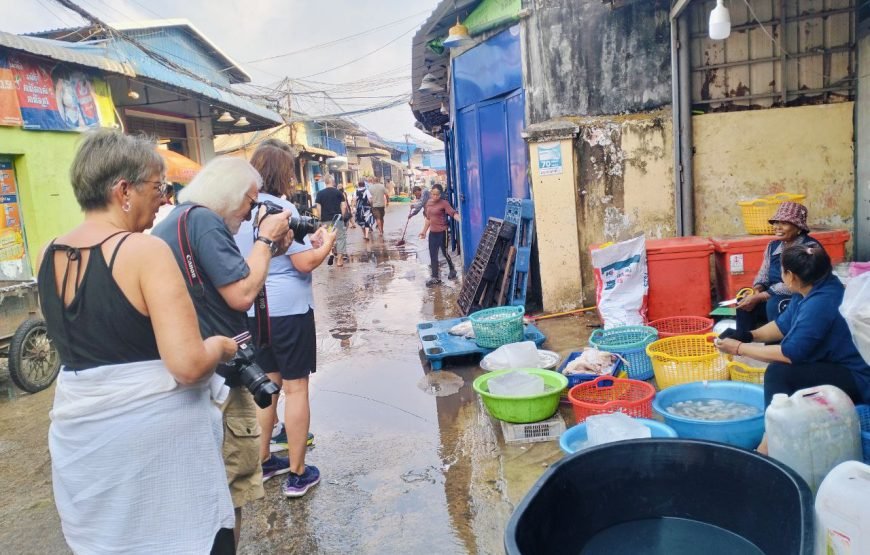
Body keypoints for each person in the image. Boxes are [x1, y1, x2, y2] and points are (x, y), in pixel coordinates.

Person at [40, 130, 239, 553]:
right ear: (123, 190)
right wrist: (221, 346)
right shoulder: (143, 253)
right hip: (153, 454)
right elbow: (187, 365)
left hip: (83, 449)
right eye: (158, 187)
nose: (164, 199)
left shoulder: (47, 253)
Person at [152, 156, 292, 547]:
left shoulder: (176, 221)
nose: (250, 214)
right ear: (230, 196)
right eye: (249, 202)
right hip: (223, 376)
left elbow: (223, 283)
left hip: (193, 368)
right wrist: (264, 239)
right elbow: (241, 292)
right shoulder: (205, 222)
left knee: (203, 483)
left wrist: (270, 251)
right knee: (233, 484)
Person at [235, 144, 337, 498]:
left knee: (268, 388)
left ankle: (264, 461)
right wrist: (327, 244)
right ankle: (297, 472)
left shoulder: (238, 210)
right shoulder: (282, 208)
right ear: (282, 173)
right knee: (296, 389)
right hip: (289, 312)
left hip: (254, 312)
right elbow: (303, 263)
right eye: (290, 172)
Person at [716, 245, 870, 450]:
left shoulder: (821, 303)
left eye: (782, 271)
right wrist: (748, 335)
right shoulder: (809, 289)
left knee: (778, 373)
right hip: (833, 363)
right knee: (783, 371)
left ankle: (769, 443)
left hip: (858, 378)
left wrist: (739, 348)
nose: (780, 276)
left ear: (791, 276)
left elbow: (789, 354)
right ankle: (778, 432)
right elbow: (782, 326)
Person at [735, 201, 820, 334]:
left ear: (798, 228)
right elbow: (763, 274)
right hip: (771, 294)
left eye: (784, 223)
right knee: (743, 298)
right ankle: (744, 339)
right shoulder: (773, 246)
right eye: (776, 222)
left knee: (774, 303)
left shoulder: (810, 248)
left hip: (800, 297)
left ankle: (777, 347)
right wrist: (756, 290)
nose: (777, 227)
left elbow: (798, 284)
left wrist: (762, 296)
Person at [419, 184, 460, 286]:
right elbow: (428, 219)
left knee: (445, 253)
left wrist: (461, 220)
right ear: (430, 194)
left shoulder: (444, 203)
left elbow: (453, 213)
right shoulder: (428, 203)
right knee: (433, 255)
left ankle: (452, 269)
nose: (435, 196)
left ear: (440, 194)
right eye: (433, 194)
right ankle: (435, 277)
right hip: (433, 233)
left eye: (437, 194)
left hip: (443, 232)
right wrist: (424, 231)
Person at [315, 175, 348, 267]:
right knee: (340, 238)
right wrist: (341, 215)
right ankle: (339, 260)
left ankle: (330, 253)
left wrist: (320, 218)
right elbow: (344, 206)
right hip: (337, 219)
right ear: (333, 182)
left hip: (326, 220)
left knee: (328, 237)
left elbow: (318, 207)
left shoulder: (320, 193)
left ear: (325, 182)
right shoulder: (338, 193)